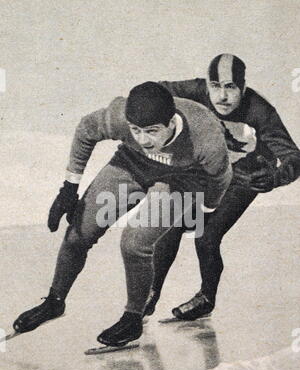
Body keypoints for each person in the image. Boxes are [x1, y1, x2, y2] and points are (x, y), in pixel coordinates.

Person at [13, 81, 232, 346]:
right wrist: (69, 188)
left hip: (183, 178)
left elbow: (220, 178)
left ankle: (133, 318)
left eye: (152, 131)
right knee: (79, 232)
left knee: (135, 242)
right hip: (134, 163)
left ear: (172, 123)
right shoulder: (119, 116)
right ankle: (54, 301)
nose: (143, 139)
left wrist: (207, 211)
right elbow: (85, 130)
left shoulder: (205, 136)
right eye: (136, 130)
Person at [144, 54, 300, 320]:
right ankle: (148, 297)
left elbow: (294, 157)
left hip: (246, 176)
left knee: (206, 236)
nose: (222, 96)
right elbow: (153, 91)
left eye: (231, 87)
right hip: (212, 170)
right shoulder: (195, 90)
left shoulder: (260, 110)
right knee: (171, 227)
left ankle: (206, 297)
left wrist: (275, 177)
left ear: (243, 87)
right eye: (215, 86)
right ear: (206, 84)